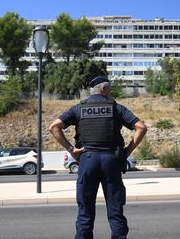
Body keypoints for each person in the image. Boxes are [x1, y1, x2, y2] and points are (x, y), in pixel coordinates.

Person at [49, 76, 147, 239]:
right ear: (104, 89)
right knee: (115, 211)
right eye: (110, 88)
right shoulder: (117, 108)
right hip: (111, 161)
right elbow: (141, 127)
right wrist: (127, 152)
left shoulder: (78, 109)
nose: (111, 91)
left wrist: (71, 150)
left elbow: (54, 127)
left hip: (87, 160)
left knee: (85, 211)